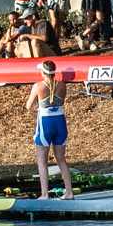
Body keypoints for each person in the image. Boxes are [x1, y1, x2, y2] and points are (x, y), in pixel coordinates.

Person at [29, 60, 72, 198]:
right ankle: (69, 192)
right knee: (61, 159)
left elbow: (28, 106)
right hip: (60, 121)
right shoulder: (62, 85)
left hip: (46, 123)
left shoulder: (38, 86)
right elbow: (61, 101)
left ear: (43, 72)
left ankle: (44, 193)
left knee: (42, 160)